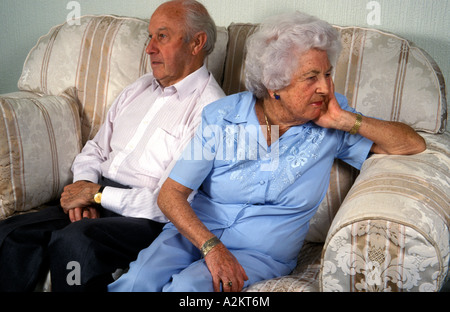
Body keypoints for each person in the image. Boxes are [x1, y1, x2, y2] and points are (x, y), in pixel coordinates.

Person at [108, 11, 426, 292]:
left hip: (261, 253)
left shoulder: (331, 121)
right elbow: (171, 194)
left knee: (188, 288)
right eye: (311, 78)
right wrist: (211, 248)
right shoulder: (222, 117)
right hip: (196, 235)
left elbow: (412, 144)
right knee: (136, 283)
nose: (326, 88)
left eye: (327, 74)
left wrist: (345, 119)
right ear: (274, 85)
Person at [0, 0, 224, 292]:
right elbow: (96, 148)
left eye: (162, 36)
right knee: (10, 234)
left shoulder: (210, 109)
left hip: (147, 218)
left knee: (75, 244)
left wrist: (98, 196)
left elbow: (170, 202)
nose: (149, 48)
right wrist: (84, 187)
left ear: (197, 43)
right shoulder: (139, 88)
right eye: (150, 36)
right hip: (97, 196)